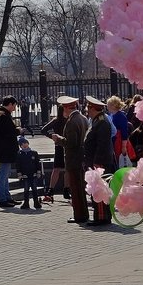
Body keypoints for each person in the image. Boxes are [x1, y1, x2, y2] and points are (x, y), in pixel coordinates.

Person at [52, 96, 90, 225]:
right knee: (80, 188)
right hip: (81, 157)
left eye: (63, 108)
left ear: (67, 108)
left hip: (73, 159)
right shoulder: (83, 119)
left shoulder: (72, 121)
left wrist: (58, 139)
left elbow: (71, 143)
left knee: (76, 188)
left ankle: (79, 215)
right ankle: (83, 213)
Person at [83, 96, 115, 226]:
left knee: (100, 189)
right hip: (96, 161)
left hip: (99, 163)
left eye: (88, 108)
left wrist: (97, 162)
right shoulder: (97, 121)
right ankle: (101, 216)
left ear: (93, 108)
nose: (87, 110)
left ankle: (101, 217)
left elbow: (102, 145)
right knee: (97, 189)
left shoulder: (101, 122)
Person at [0, 96, 20, 207]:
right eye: (14, 106)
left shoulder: (1, 114)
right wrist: (18, 130)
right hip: (4, 149)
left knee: (5, 174)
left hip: (4, 149)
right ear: (10, 104)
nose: (15, 108)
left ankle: (7, 197)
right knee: (3, 174)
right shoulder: (3, 116)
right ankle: (2, 198)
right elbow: (8, 132)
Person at [40, 105, 67, 203]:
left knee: (65, 169)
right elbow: (43, 130)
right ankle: (52, 189)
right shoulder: (58, 121)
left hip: (63, 146)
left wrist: (51, 136)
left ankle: (65, 189)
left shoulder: (67, 120)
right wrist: (52, 136)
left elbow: (43, 130)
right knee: (57, 168)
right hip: (61, 146)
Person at [15, 137, 42, 210]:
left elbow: (37, 163)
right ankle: (26, 203)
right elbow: (18, 165)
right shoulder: (19, 154)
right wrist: (19, 173)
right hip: (25, 175)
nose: (25, 145)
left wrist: (38, 172)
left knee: (34, 189)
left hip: (33, 174)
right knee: (26, 189)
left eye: (26, 143)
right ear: (20, 145)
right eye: (22, 144)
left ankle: (36, 202)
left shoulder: (34, 153)